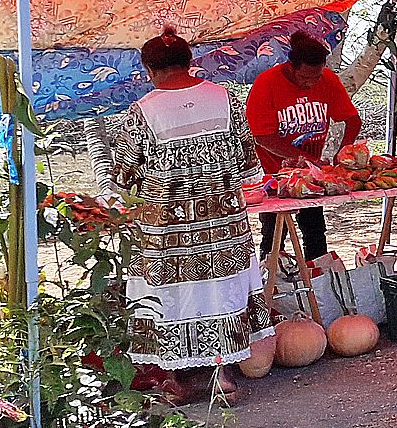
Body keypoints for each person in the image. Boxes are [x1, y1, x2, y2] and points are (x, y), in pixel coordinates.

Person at [103, 27, 273, 403]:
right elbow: (247, 165)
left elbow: (124, 176)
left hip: (168, 234)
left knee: (173, 300)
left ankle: (180, 383)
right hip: (224, 228)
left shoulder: (142, 113)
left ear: (149, 69)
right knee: (219, 295)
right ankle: (222, 377)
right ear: (190, 62)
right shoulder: (225, 100)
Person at [246, 31, 362, 265]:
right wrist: (303, 158)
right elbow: (263, 136)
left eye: (316, 77)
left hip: (313, 175)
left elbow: (352, 119)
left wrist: (344, 150)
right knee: (274, 235)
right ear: (291, 67)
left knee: (315, 231)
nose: (311, 83)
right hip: (277, 176)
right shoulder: (266, 84)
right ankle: (271, 284)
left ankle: (319, 283)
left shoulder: (328, 79)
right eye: (305, 78)